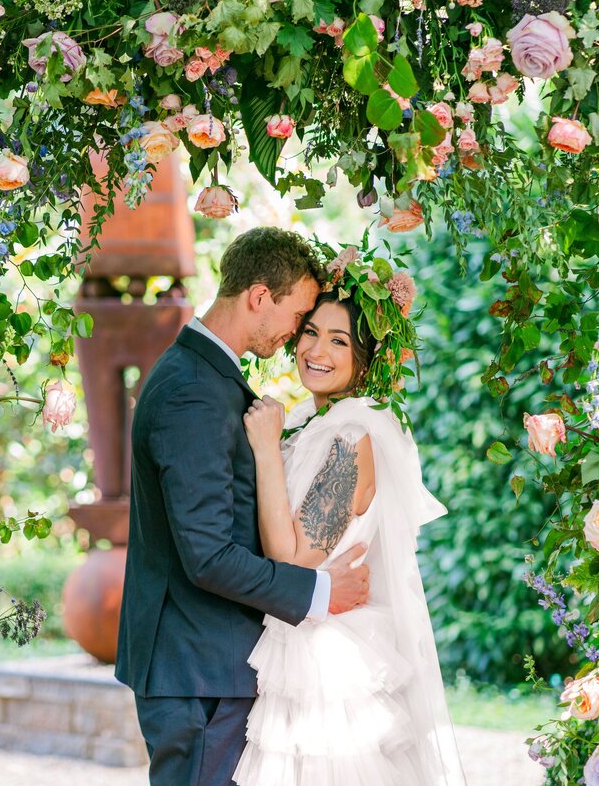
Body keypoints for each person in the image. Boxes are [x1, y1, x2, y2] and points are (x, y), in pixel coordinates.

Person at [114, 227, 372, 786]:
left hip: (208, 664)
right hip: (198, 670)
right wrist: (320, 592)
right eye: (299, 317)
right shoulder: (194, 391)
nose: (297, 336)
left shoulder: (206, 378)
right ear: (259, 296)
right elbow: (206, 554)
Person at [232, 252, 468, 786]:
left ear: (366, 360)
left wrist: (266, 452)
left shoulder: (354, 435)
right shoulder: (308, 423)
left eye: (339, 341)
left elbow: (293, 559)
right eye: (311, 332)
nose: (316, 351)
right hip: (298, 640)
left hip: (329, 661)